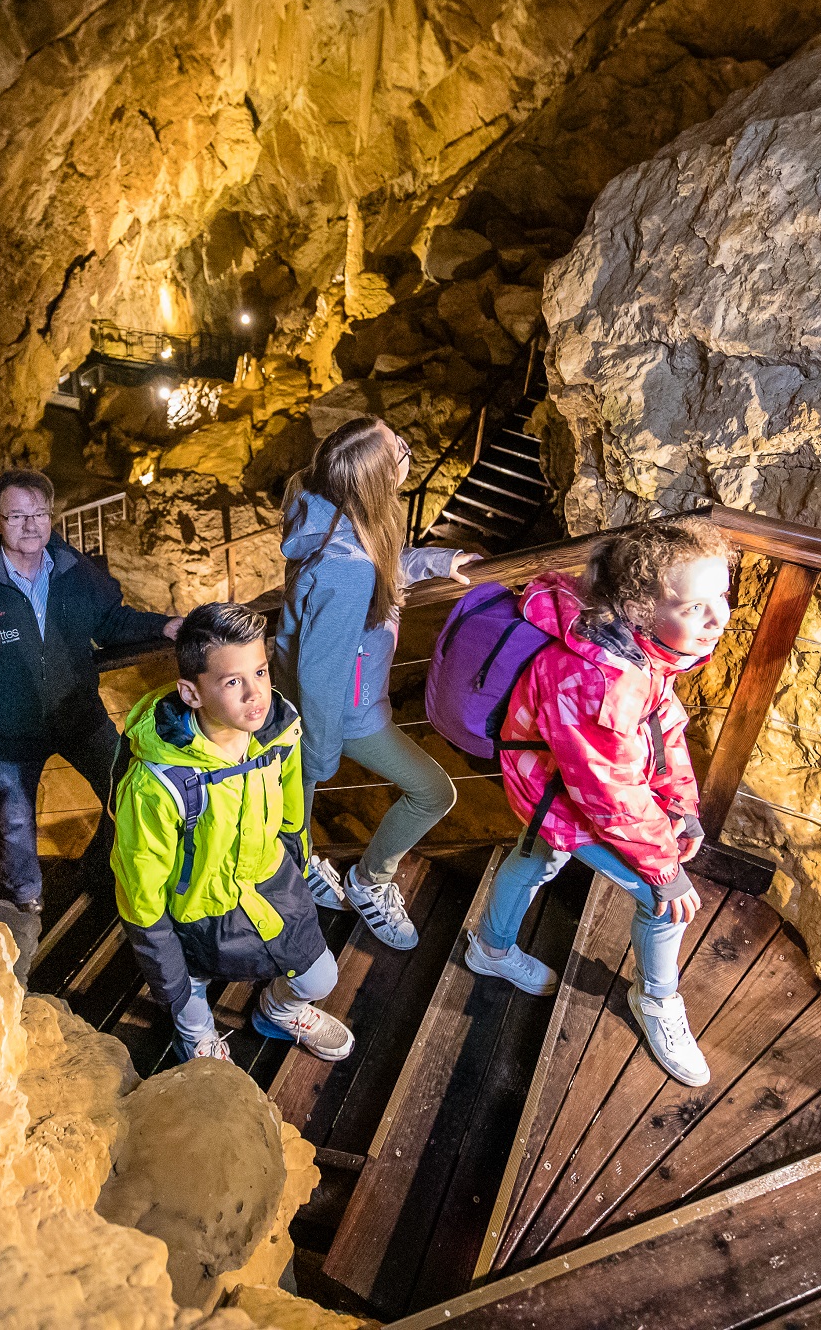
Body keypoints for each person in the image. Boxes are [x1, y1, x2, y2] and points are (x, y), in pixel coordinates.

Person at [464, 518, 735, 1086]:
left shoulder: (633, 646)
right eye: (693, 607)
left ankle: (489, 947)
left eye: (722, 596)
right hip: (556, 788)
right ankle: (657, 1001)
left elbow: (663, 727)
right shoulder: (601, 676)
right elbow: (604, 789)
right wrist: (662, 869)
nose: (717, 618)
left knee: (537, 856)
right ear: (641, 608)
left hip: (549, 771)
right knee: (664, 903)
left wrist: (681, 804)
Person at [112, 603, 354, 1065]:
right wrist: (172, 983)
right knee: (190, 989)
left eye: (260, 672)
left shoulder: (278, 734)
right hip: (196, 910)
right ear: (191, 692)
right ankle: (196, 1033)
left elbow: (291, 819)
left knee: (320, 979)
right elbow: (140, 897)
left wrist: (295, 871)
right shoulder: (157, 786)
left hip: (268, 884)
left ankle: (278, 1012)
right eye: (232, 681)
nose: (256, 695)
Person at [0, 469, 180, 913]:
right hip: (7, 735)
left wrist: (163, 625)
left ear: (50, 516)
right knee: (16, 824)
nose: (31, 525)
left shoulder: (71, 569)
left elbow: (111, 621)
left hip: (78, 716)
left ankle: (100, 873)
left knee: (130, 789)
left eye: (40, 513)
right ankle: (25, 902)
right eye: (18, 516)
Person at [274, 416, 476, 951]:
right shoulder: (346, 567)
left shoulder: (332, 518)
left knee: (295, 801)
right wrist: (319, 749)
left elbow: (386, 565)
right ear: (375, 480)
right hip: (343, 708)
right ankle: (367, 883)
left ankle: (302, 864)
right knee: (432, 791)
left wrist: (439, 559)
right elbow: (321, 673)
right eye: (400, 449)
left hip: (306, 692)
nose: (410, 450)